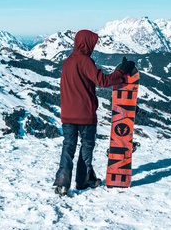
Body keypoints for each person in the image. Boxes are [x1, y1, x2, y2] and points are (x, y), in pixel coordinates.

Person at [53, 29, 134, 196]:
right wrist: (122, 72)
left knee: (68, 147)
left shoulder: (67, 62)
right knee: (86, 147)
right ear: (86, 43)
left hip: (67, 115)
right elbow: (102, 81)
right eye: (92, 43)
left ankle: (62, 183)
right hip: (85, 115)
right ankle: (84, 179)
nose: (93, 46)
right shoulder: (85, 61)